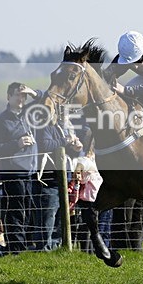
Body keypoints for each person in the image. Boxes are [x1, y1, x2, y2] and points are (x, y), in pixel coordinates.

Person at [0, 82, 41, 254]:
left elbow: (46, 102)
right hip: (13, 173)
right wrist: (16, 144)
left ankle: (23, 246)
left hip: (31, 173)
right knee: (15, 213)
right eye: (17, 95)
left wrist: (33, 93)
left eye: (23, 96)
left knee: (30, 211)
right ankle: (15, 249)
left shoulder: (28, 115)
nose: (21, 99)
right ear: (8, 97)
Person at [31, 100, 82, 251]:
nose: (66, 115)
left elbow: (67, 151)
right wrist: (66, 140)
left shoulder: (64, 128)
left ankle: (57, 246)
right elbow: (46, 145)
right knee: (48, 216)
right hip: (50, 180)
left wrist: (75, 148)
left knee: (61, 216)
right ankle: (44, 247)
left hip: (63, 180)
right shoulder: (46, 126)